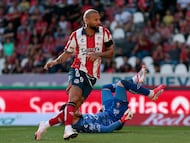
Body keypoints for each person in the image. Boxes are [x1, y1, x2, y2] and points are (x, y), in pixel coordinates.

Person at [35, 65, 165, 140]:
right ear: (71, 115)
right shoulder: (84, 125)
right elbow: (107, 129)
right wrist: (123, 119)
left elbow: (62, 116)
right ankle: (150, 94)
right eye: (74, 110)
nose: (77, 108)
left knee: (106, 87)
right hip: (114, 116)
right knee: (122, 84)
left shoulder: (75, 119)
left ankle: (135, 80)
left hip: (106, 111)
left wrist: (46, 124)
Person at [43, 9, 114, 140]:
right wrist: (54, 62)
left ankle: (45, 125)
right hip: (78, 69)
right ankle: (68, 129)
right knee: (73, 99)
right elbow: (67, 53)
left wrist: (98, 54)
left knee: (74, 108)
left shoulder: (104, 32)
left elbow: (111, 52)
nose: (99, 22)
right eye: (96, 20)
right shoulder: (76, 35)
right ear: (86, 21)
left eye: (99, 19)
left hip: (92, 75)